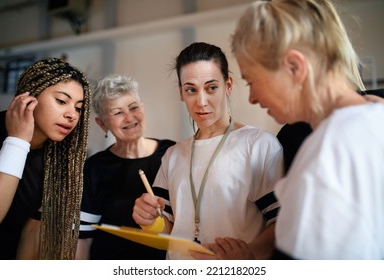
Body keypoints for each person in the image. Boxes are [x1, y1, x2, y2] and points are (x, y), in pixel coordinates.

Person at [231, 0, 384, 259]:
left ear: (295, 67)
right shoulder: (375, 119)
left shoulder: (325, 155)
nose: (252, 98)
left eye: (252, 82)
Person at [132, 42, 284, 260]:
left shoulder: (258, 144)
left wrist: (247, 255)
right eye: (191, 90)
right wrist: (148, 220)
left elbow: (282, 223)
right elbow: (168, 227)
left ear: (228, 85)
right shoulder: (173, 154)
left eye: (211, 87)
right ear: (181, 93)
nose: (201, 102)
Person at [0, 57, 91, 259]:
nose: (72, 115)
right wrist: (18, 141)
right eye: (62, 101)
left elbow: (32, 230)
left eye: (78, 108)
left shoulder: (61, 159)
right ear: (29, 95)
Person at [75, 74, 176, 260]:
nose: (129, 118)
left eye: (133, 108)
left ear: (142, 108)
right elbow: (83, 239)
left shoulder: (172, 153)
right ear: (102, 123)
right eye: (118, 112)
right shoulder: (94, 167)